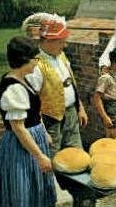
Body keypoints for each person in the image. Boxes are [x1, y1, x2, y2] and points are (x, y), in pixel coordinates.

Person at [0, 36, 56, 207]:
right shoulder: (14, 87)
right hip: (20, 145)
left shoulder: (25, 79)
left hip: (34, 139)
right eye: (35, 58)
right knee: (23, 189)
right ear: (24, 60)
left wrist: (43, 132)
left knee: (37, 189)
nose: (37, 62)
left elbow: (35, 112)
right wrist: (40, 156)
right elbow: (19, 128)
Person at [25, 13, 88, 157]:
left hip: (71, 113)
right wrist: (42, 130)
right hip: (50, 119)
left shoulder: (61, 56)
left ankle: (74, 180)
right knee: (52, 155)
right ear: (47, 41)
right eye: (61, 42)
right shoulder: (36, 65)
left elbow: (70, 83)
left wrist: (80, 108)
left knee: (76, 153)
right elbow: (32, 103)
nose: (64, 45)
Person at [93, 48, 116, 138]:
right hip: (111, 111)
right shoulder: (105, 78)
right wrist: (105, 117)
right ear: (115, 63)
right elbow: (97, 98)